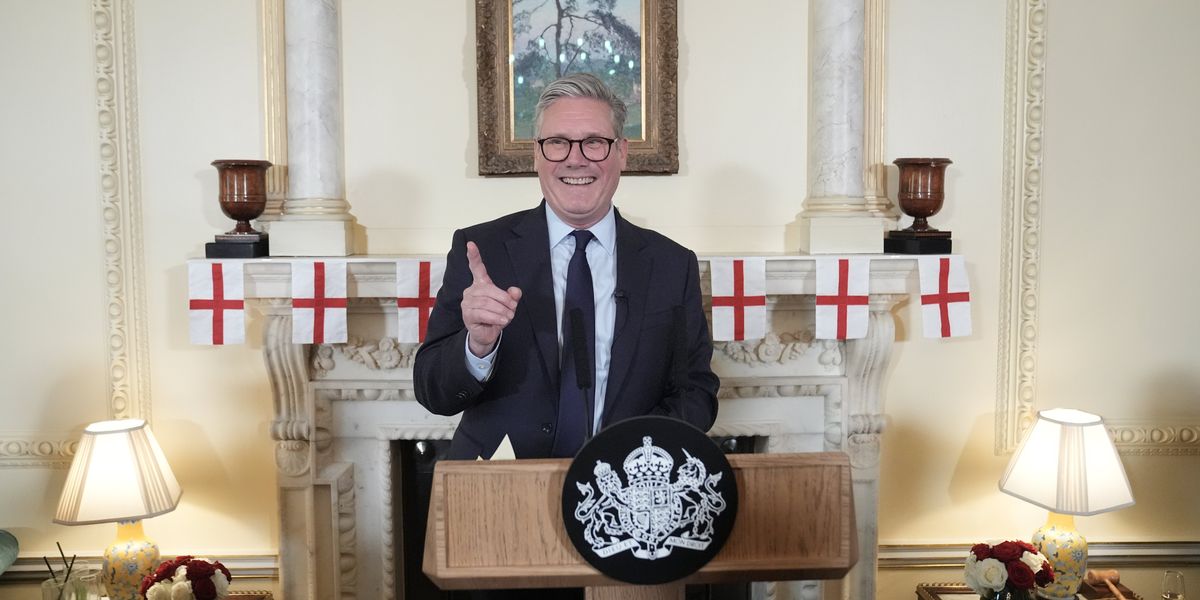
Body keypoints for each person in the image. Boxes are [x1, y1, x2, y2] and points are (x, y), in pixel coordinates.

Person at [414, 72, 719, 464]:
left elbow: (696, 393)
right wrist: (477, 345)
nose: (575, 158)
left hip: (621, 494)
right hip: (498, 495)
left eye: (594, 142)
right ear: (537, 154)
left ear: (622, 152)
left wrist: (632, 452)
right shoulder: (482, 250)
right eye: (557, 143)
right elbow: (432, 392)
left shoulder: (672, 264)